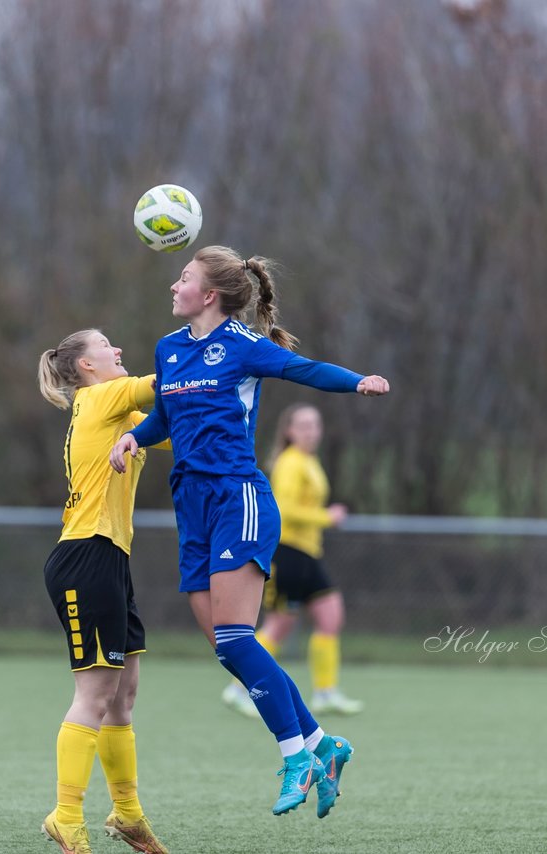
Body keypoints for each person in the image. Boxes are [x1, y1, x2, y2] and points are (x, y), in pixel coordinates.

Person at [110, 246, 389, 817]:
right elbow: (165, 416)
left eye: (183, 278)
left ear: (209, 294)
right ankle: (323, 745)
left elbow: (302, 369)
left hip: (239, 498)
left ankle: (295, 756)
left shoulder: (240, 343)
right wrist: (136, 435)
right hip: (191, 506)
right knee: (228, 647)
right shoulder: (168, 350)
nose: (173, 285)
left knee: (238, 638)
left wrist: (357, 381)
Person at [37, 330, 171, 854]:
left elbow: (172, 428)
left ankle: (128, 814)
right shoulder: (101, 396)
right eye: (108, 346)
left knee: (123, 695)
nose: (119, 350)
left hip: (110, 558)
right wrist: (223, 363)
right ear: (87, 366)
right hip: (85, 557)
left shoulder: (119, 415)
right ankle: (66, 815)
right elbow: (166, 385)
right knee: (94, 695)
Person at [221, 403, 363, 720]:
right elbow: (284, 508)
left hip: (309, 554)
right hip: (288, 551)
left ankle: (325, 693)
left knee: (330, 617)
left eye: (315, 424)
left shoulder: (309, 462)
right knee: (279, 626)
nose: (311, 431)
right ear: (289, 431)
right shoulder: (290, 463)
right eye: (303, 425)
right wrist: (326, 517)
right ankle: (237, 688)